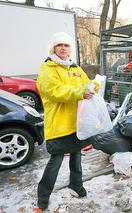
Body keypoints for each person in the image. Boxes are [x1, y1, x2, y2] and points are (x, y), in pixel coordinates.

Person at [36, 32, 97, 210]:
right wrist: (79, 93)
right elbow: (55, 90)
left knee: (77, 154)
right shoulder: (47, 68)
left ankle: (76, 185)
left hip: (76, 122)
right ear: (53, 48)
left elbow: (85, 84)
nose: (63, 48)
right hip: (59, 123)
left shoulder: (75, 68)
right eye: (59, 45)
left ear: (70, 48)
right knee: (56, 159)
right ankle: (43, 196)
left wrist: (95, 86)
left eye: (66, 45)